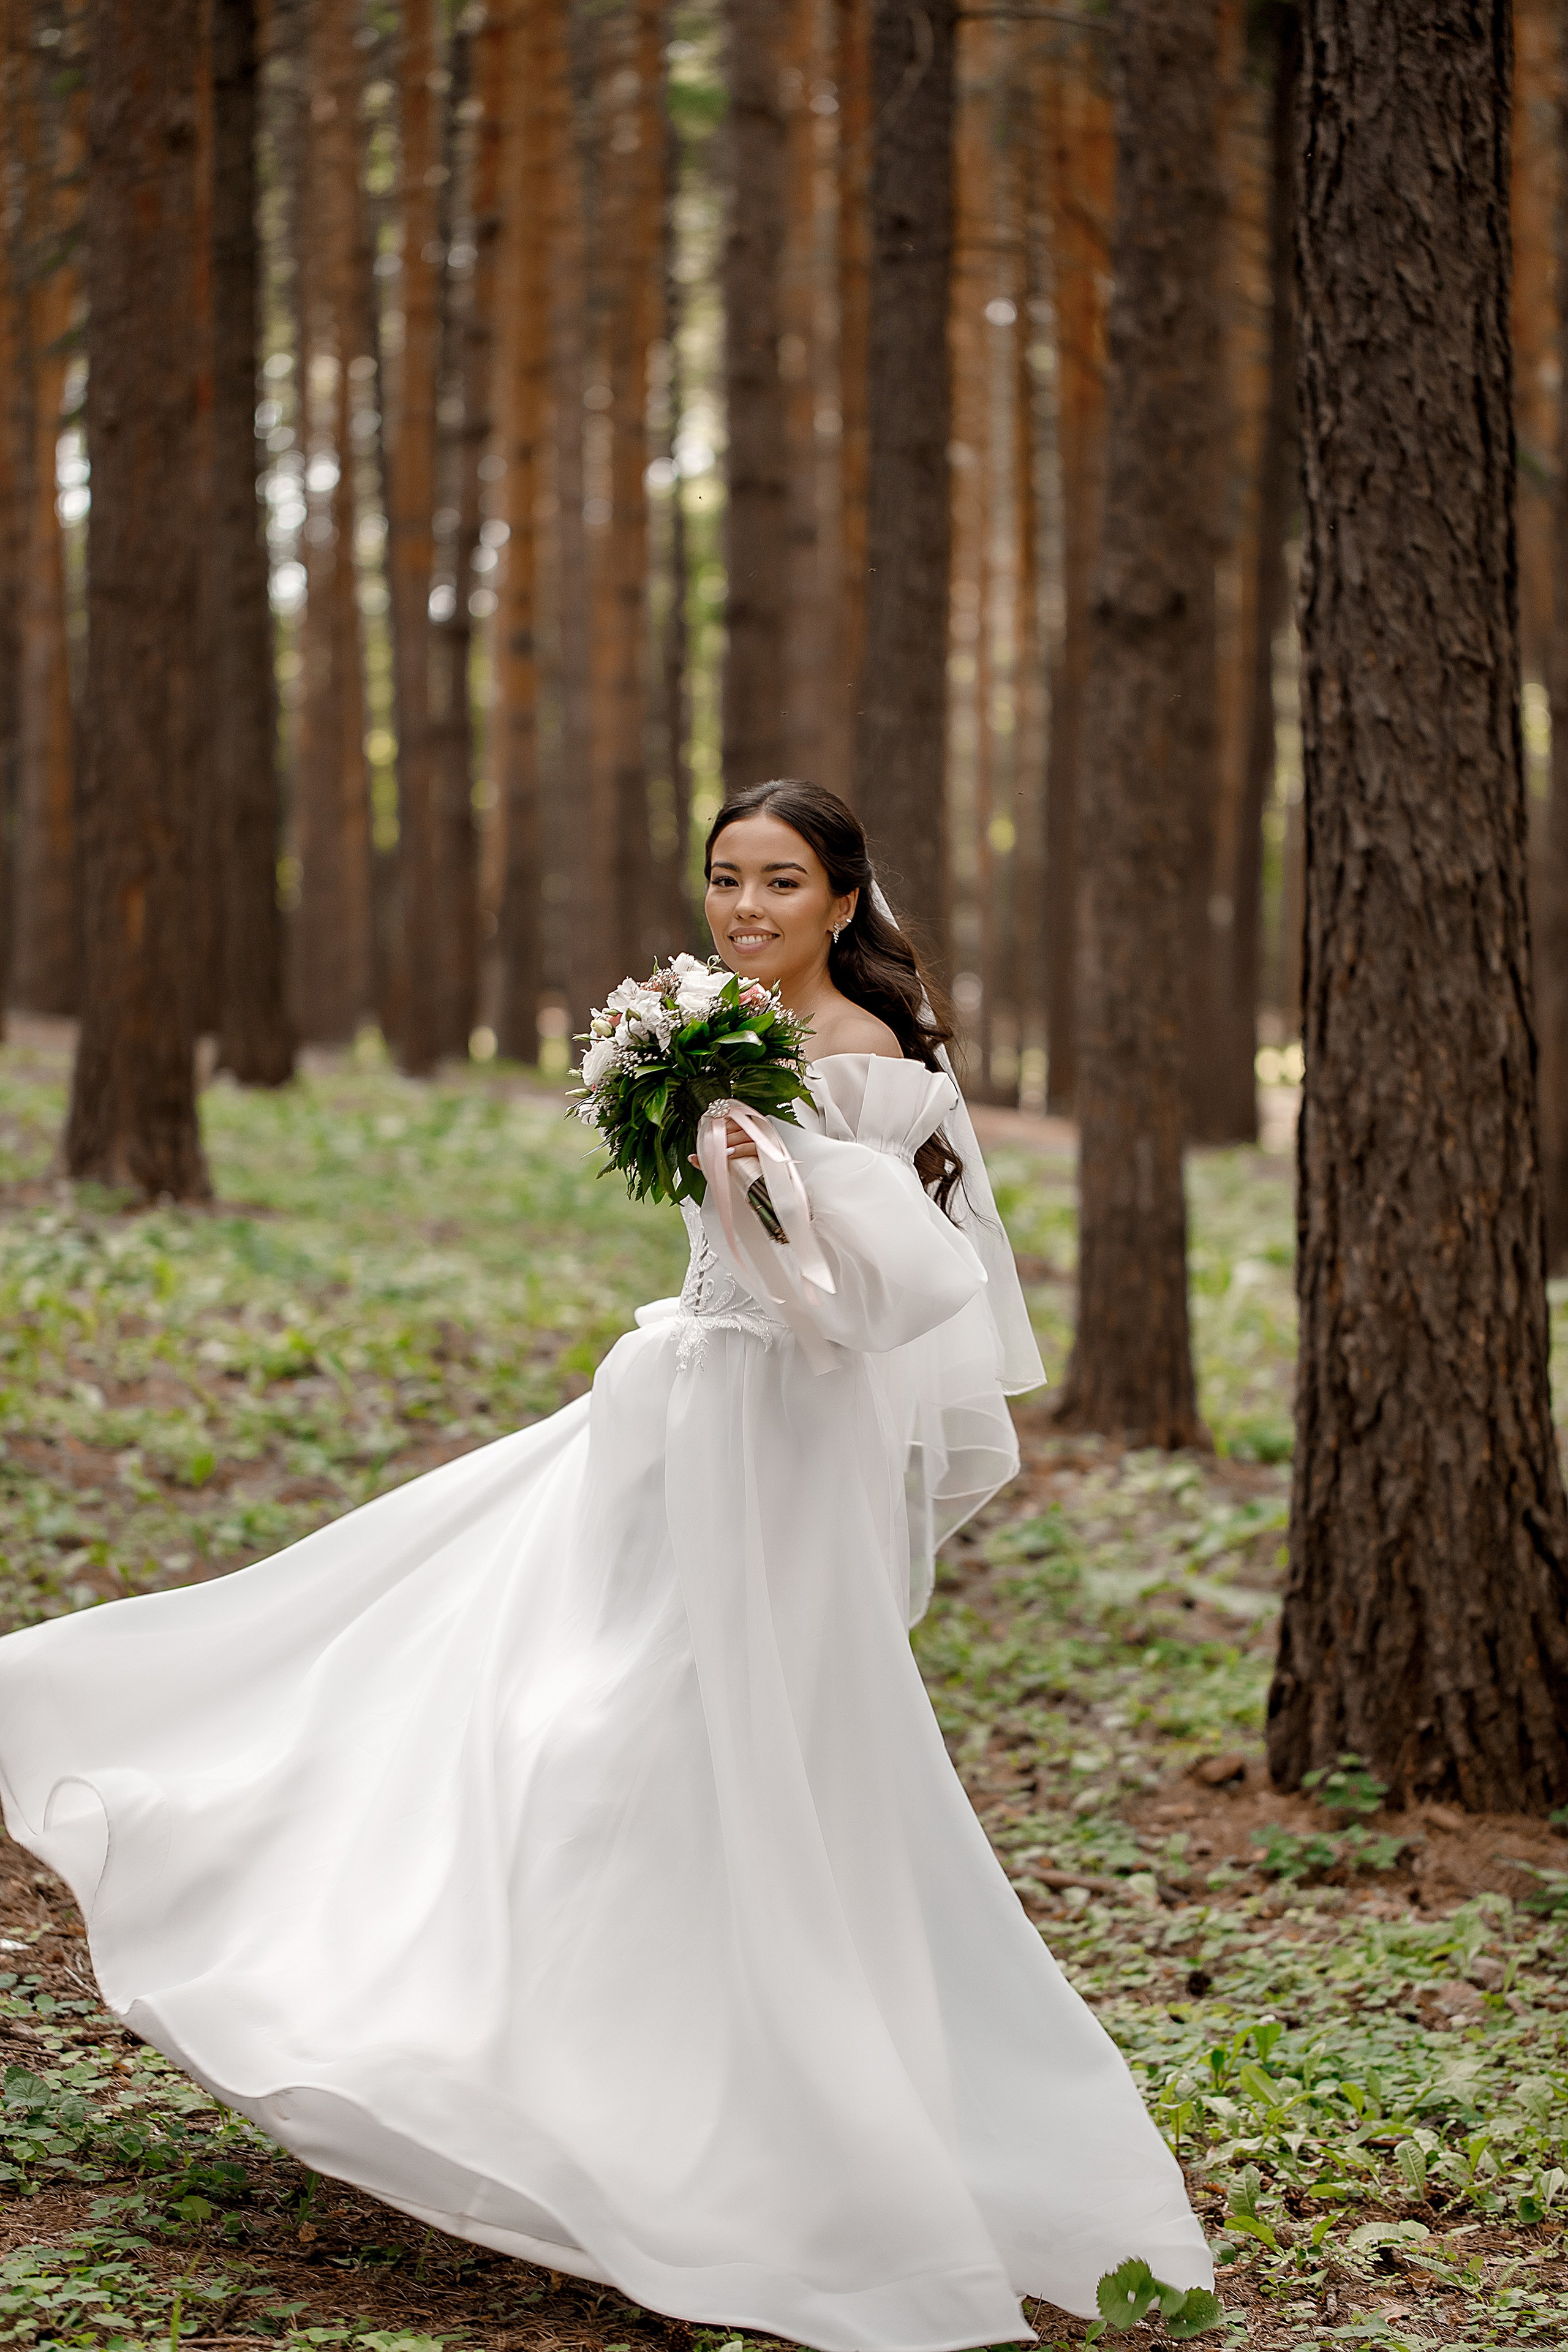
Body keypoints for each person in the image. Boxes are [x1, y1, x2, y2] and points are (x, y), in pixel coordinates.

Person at [0, 781, 1212, 2349]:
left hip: (772, 1443)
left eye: (780, 883)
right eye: (725, 879)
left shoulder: (861, 1066)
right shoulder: (710, 1021)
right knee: (512, 1686)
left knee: (658, 1739)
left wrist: (762, 1181)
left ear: (845, 900)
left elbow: (874, 1305)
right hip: (664, 1419)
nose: (746, 909)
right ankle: (527, 2056)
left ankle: (703, 2124)